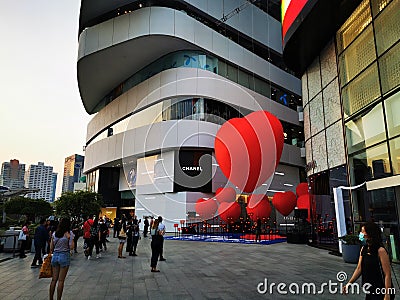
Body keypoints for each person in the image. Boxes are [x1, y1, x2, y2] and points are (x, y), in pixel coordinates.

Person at [343, 221, 393, 299]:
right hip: (370, 289)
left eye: (363, 232)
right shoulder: (364, 249)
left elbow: (387, 274)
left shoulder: (380, 250)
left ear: (370, 234)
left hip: (381, 290)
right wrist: (349, 284)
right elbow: (359, 268)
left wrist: (387, 294)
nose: (361, 234)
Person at [49, 218, 74, 300]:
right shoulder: (69, 233)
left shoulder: (55, 233)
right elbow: (71, 247)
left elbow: (51, 247)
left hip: (55, 256)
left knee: (54, 280)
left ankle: (51, 298)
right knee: (61, 281)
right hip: (64, 255)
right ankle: (58, 299)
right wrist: (69, 238)